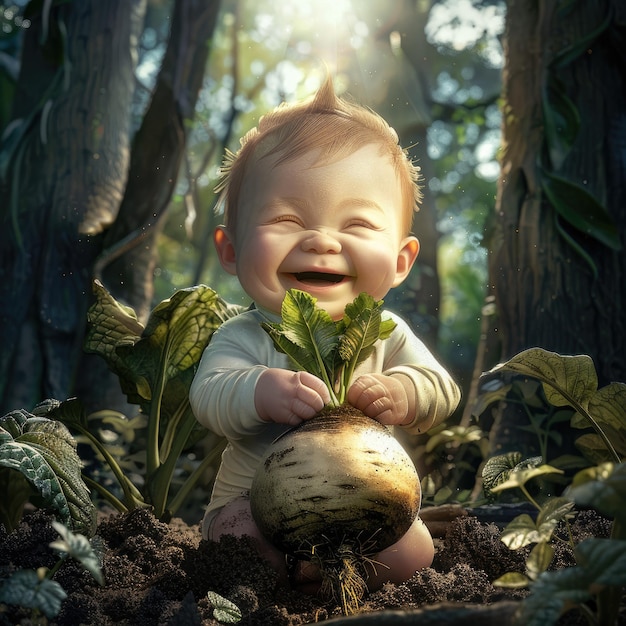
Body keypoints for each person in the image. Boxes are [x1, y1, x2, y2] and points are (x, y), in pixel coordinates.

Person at [189, 75, 461, 593]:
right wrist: (257, 389)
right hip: (256, 506)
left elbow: (441, 387)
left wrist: (405, 391)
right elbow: (208, 395)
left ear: (402, 261)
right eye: (286, 219)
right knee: (237, 535)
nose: (320, 241)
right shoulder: (245, 333)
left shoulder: (384, 331)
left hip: (366, 507)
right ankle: (283, 582)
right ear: (230, 250)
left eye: (357, 225)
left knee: (415, 550)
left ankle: (333, 575)